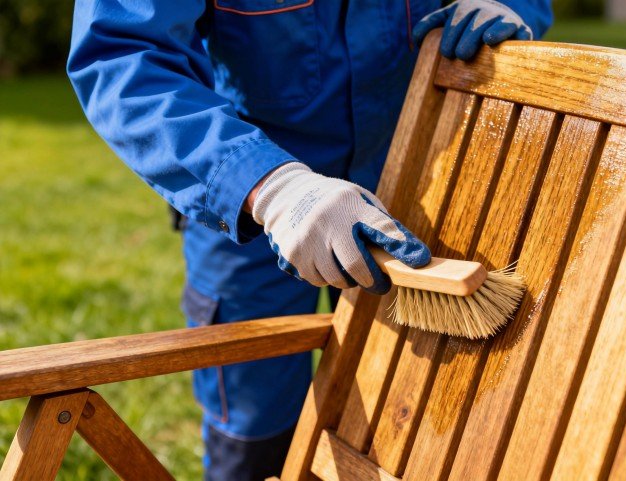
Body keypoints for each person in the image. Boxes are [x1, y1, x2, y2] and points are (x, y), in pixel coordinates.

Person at [67, 1, 552, 479]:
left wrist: (513, 5)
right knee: (255, 437)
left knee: (423, 425)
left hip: (419, 194)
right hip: (254, 210)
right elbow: (123, 54)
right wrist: (270, 187)